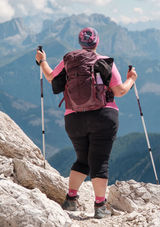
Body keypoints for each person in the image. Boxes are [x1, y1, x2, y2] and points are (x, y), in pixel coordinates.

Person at [35, 27, 137, 219]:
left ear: (80, 43)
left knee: (82, 159)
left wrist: (42, 61)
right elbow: (120, 91)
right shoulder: (104, 61)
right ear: (96, 42)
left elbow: (50, 77)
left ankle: (71, 200)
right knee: (99, 162)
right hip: (103, 116)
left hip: (73, 118)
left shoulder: (69, 61)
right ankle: (100, 206)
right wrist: (131, 79)